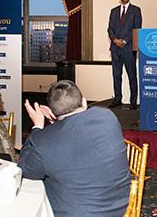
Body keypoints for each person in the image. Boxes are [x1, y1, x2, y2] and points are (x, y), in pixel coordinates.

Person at [18, 80, 131, 217]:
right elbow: (76, 131)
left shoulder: (43, 139)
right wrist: (57, 122)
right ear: (84, 101)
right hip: (122, 208)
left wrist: (37, 127)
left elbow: (26, 173)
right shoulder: (108, 116)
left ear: (52, 112)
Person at [107, 0, 142, 110]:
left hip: (128, 48)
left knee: (132, 75)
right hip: (115, 49)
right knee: (116, 75)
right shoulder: (114, 11)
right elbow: (110, 29)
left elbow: (137, 29)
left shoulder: (136, 10)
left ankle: (133, 102)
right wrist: (115, 40)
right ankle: (117, 99)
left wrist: (125, 41)